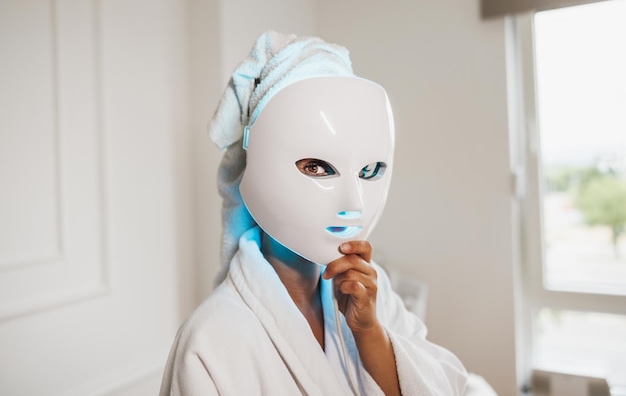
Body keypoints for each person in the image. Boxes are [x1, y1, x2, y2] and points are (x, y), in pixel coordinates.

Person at [160, 30, 496, 395]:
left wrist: (371, 335)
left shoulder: (374, 295)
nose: (353, 203)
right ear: (255, 158)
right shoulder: (210, 340)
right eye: (317, 167)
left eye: (368, 171)